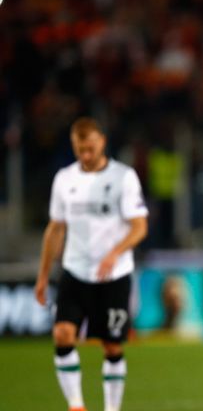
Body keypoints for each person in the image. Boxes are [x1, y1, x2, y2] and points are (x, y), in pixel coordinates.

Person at [34, 118, 149, 411]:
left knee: (111, 345)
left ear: (102, 142)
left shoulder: (124, 177)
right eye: (79, 149)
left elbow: (139, 226)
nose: (84, 155)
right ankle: (76, 405)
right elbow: (56, 229)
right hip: (76, 270)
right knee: (62, 334)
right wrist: (43, 274)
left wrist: (115, 252)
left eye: (89, 148)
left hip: (114, 275)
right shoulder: (64, 179)